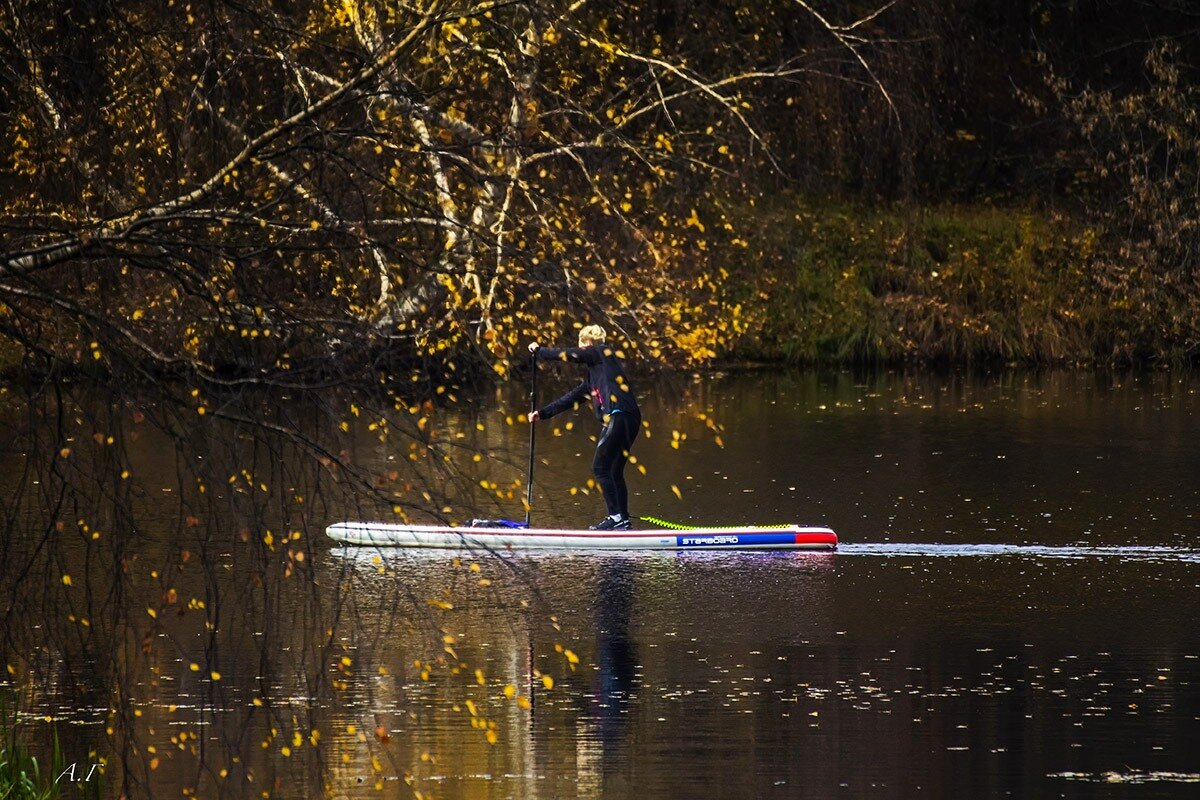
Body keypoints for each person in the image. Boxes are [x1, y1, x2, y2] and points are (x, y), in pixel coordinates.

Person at [527, 325, 641, 530]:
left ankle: (615, 518)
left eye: (581, 344)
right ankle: (622, 520)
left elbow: (570, 354)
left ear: (588, 342)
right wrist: (542, 413)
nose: (580, 348)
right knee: (614, 471)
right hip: (629, 418)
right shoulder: (592, 378)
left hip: (620, 416)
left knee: (600, 467)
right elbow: (570, 399)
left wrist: (540, 351)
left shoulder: (602, 352)